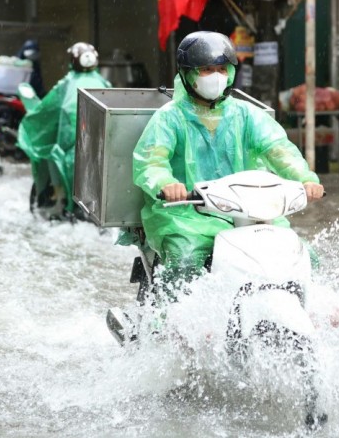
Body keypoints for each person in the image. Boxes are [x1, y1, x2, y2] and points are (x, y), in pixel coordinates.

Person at [132, 31, 325, 289]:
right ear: (187, 73)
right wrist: (166, 183)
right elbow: (151, 161)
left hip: (248, 213)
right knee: (185, 261)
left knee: (306, 257)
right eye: (206, 69)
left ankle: (315, 312)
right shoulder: (169, 118)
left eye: (222, 68)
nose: (216, 76)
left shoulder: (246, 115)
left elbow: (279, 149)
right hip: (188, 216)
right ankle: (166, 324)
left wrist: (305, 179)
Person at [17, 42, 112, 217]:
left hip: (71, 149)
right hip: (101, 148)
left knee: (53, 154)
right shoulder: (103, 83)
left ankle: (60, 199)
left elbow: (47, 109)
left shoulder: (68, 83)